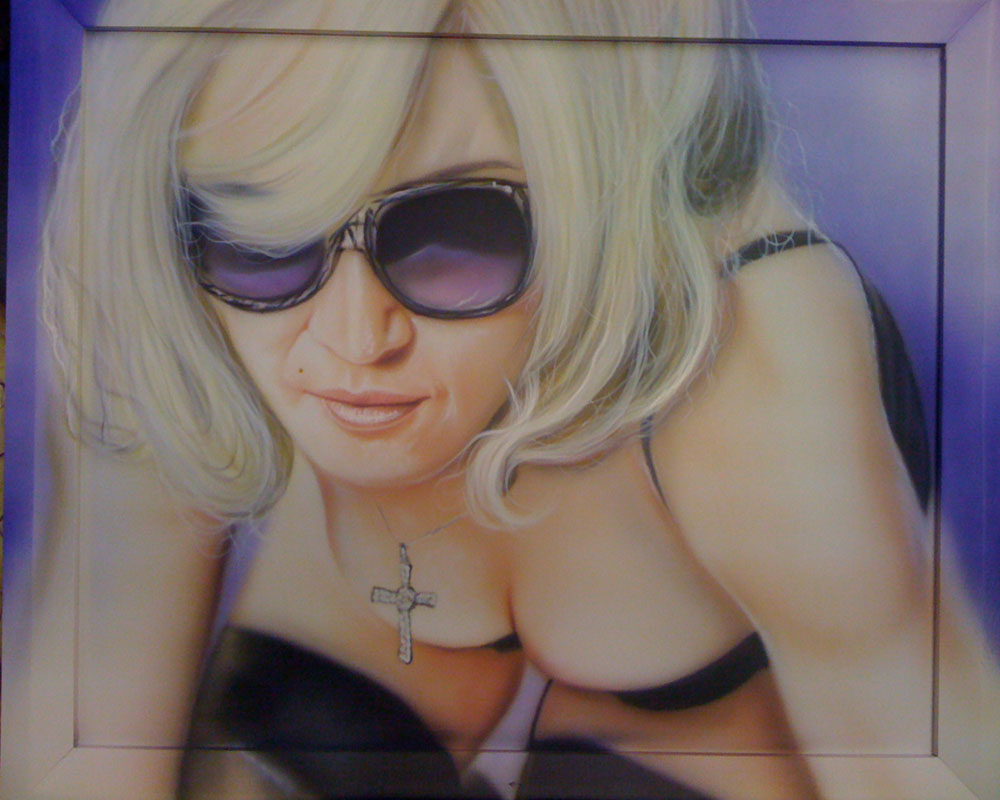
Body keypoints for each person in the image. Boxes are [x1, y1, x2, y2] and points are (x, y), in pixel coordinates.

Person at [40, 1, 988, 798]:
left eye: (455, 229)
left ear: (594, 194)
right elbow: (80, 758)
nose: (355, 341)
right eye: (265, 239)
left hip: (703, 701)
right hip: (378, 634)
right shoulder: (157, 265)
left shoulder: (755, 365)